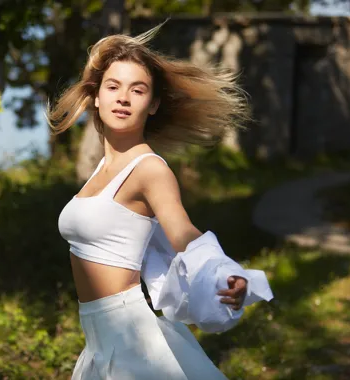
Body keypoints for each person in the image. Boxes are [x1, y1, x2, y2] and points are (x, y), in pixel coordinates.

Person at [48, 23, 251, 379]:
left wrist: (223, 272)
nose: (123, 98)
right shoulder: (102, 169)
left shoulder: (149, 169)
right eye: (113, 87)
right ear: (96, 96)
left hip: (132, 342)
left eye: (137, 90)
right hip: (98, 343)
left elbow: (182, 231)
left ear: (153, 103)